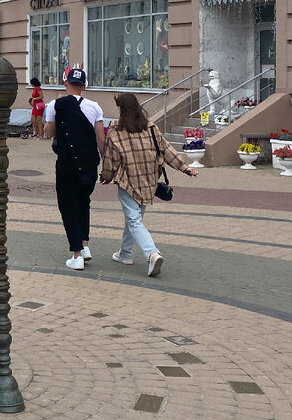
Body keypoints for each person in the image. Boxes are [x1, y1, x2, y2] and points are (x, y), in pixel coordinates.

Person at [100, 92, 196, 278]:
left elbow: (111, 158)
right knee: (134, 219)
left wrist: (106, 176)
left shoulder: (115, 131)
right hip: (149, 180)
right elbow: (167, 149)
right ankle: (125, 254)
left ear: (121, 108)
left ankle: (152, 254)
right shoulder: (151, 128)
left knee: (134, 220)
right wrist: (185, 168)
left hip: (128, 181)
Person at [44, 66, 106, 271]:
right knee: (83, 203)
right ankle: (85, 246)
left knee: (68, 206)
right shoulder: (95, 107)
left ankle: (77, 254)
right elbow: (100, 139)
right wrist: (106, 163)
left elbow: (49, 133)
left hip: (67, 164)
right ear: (85, 86)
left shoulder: (55, 104)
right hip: (89, 164)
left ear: (65, 83)